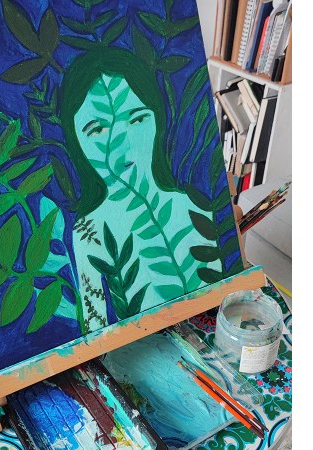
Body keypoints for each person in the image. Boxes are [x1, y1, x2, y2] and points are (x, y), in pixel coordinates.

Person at [53, 48, 222, 331]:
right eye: (97, 129)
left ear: (157, 119)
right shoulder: (88, 232)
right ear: (76, 140)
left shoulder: (194, 208)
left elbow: (221, 300)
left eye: (137, 119)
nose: (121, 143)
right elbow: (95, 327)